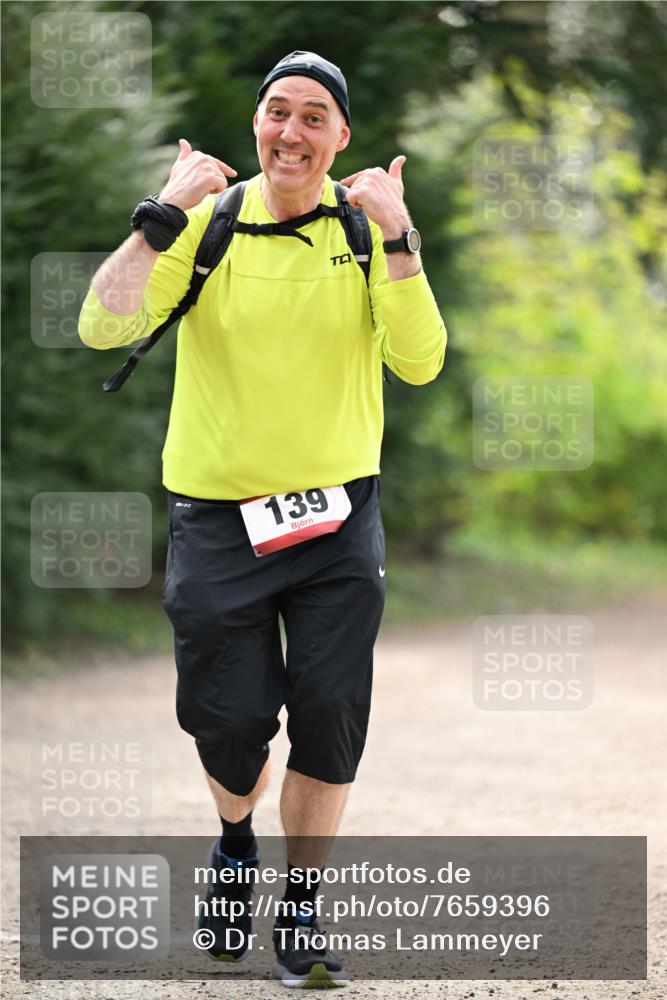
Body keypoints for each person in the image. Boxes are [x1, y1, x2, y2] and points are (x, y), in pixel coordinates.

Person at [79, 50, 446, 988]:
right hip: (217, 520)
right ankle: (235, 843)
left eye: (314, 116)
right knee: (229, 718)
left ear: (342, 138)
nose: (291, 130)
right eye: (277, 112)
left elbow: (419, 362)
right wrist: (160, 213)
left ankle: (304, 909)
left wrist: (400, 239)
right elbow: (102, 323)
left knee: (327, 716)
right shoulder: (201, 225)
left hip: (336, 524)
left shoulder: (365, 235)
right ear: (256, 125)